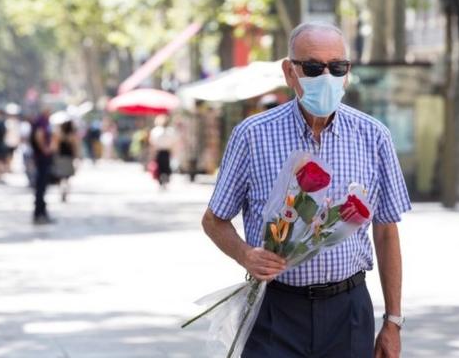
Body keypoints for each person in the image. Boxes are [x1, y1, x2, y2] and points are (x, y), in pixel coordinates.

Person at [201, 22, 411, 357]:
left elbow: (386, 231)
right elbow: (214, 220)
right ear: (290, 71)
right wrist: (246, 254)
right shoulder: (253, 136)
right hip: (274, 310)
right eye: (313, 67)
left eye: (337, 67)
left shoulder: (374, 137)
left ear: (347, 72)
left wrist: (393, 321)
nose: (326, 77)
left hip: (348, 311)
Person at [31, 109, 54, 224]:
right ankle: (39, 213)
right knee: (41, 186)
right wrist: (45, 149)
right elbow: (39, 135)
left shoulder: (44, 121)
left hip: (42, 158)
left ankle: (41, 212)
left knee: (42, 186)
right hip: (42, 159)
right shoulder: (41, 122)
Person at [51, 120, 79, 202]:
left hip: (60, 158)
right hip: (69, 158)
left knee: (60, 176)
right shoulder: (72, 136)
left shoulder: (59, 136)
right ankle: (65, 191)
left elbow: (55, 148)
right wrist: (77, 158)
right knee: (67, 178)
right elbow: (75, 148)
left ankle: (61, 190)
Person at [149, 115, 176, 189]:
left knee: (160, 167)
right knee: (166, 166)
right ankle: (165, 180)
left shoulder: (155, 131)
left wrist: (152, 153)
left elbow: (152, 142)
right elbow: (173, 142)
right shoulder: (171, 131)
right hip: (166, 151)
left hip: (159, 151)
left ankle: (161, 181)